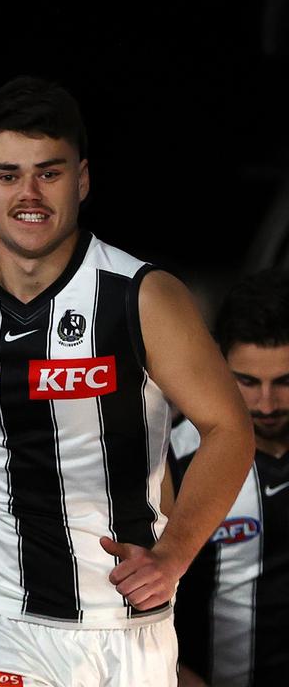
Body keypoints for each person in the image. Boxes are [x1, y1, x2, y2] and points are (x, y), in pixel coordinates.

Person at [0, 76, 253, 685]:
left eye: (48, 173)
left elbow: (226, 428)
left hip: (123, 623)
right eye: (7, 175)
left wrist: (173, 555)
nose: (29, 193)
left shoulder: (143, 297)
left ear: (82, 179)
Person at [172, 269, 289, 687]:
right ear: (219, 363)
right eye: (248, 381)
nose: (267, 403)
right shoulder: (174, 459)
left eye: (285, 382)